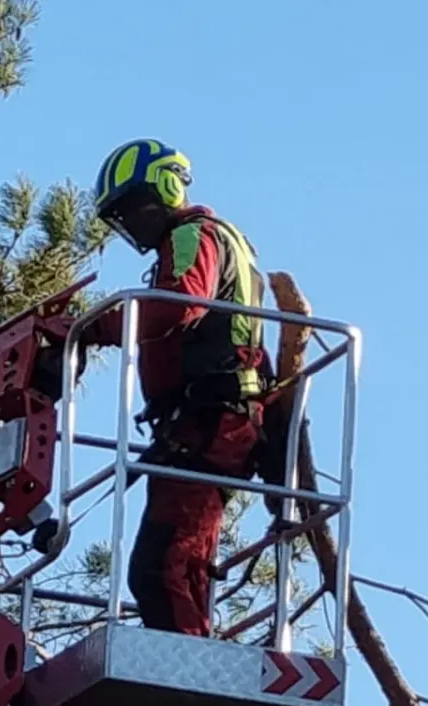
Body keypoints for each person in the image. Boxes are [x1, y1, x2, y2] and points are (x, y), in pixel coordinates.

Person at [83, 139, 274, 637]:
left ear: (166, 190)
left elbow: (179, 304)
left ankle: (189, 667)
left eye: (135, 208)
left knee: (160, 567)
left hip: (208, 421)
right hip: (204, 423)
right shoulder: (217, 241)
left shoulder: (193, 235)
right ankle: (190, 656)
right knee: (181, 564)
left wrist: (97, 326)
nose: (133, 224)